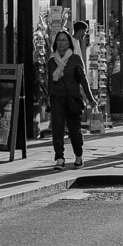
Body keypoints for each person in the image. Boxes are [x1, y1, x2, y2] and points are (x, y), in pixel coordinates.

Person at [47, 30, 96, 169]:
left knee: (74, 130)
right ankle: (60, 158)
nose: (61, 43)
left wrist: (90, 98)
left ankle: (78, 155)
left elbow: (83, 79)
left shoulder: (75, 59)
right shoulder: (51, 62)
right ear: (55, 44)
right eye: (59, 40)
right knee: (57, 130)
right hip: (57, 99)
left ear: (69, 43)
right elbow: (49, 82)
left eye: (64, 40)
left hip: (73, 99)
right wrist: (48, 98)